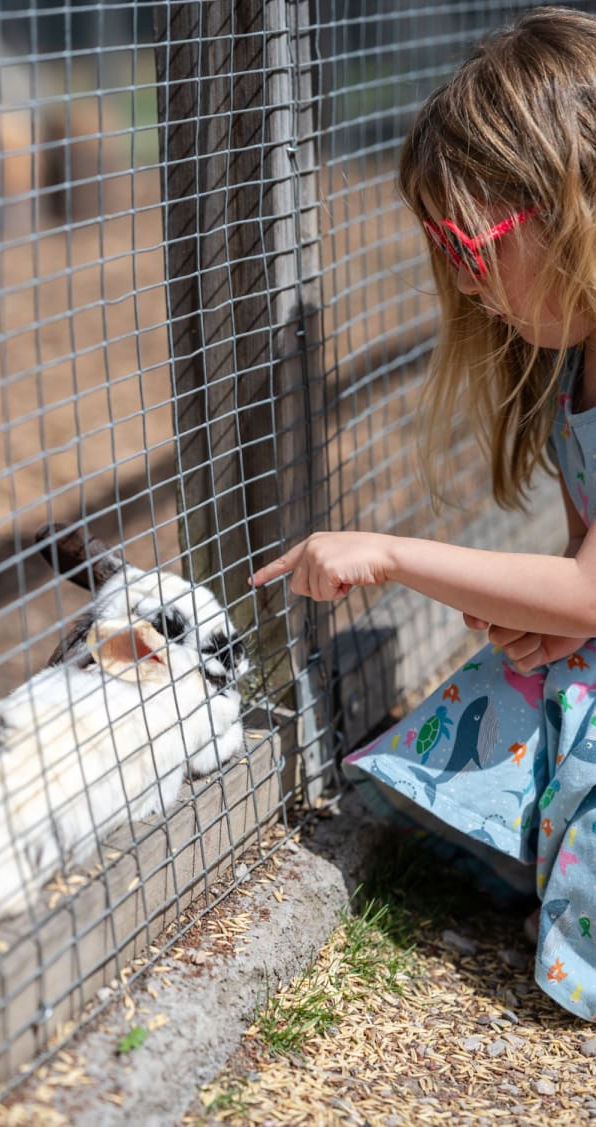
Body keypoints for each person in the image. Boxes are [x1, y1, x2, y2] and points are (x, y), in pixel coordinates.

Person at [251, 6, 596, 1022]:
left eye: (467, 239)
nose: (457, 274)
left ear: (568, 200)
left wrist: (395, 554)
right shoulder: (575, 366)